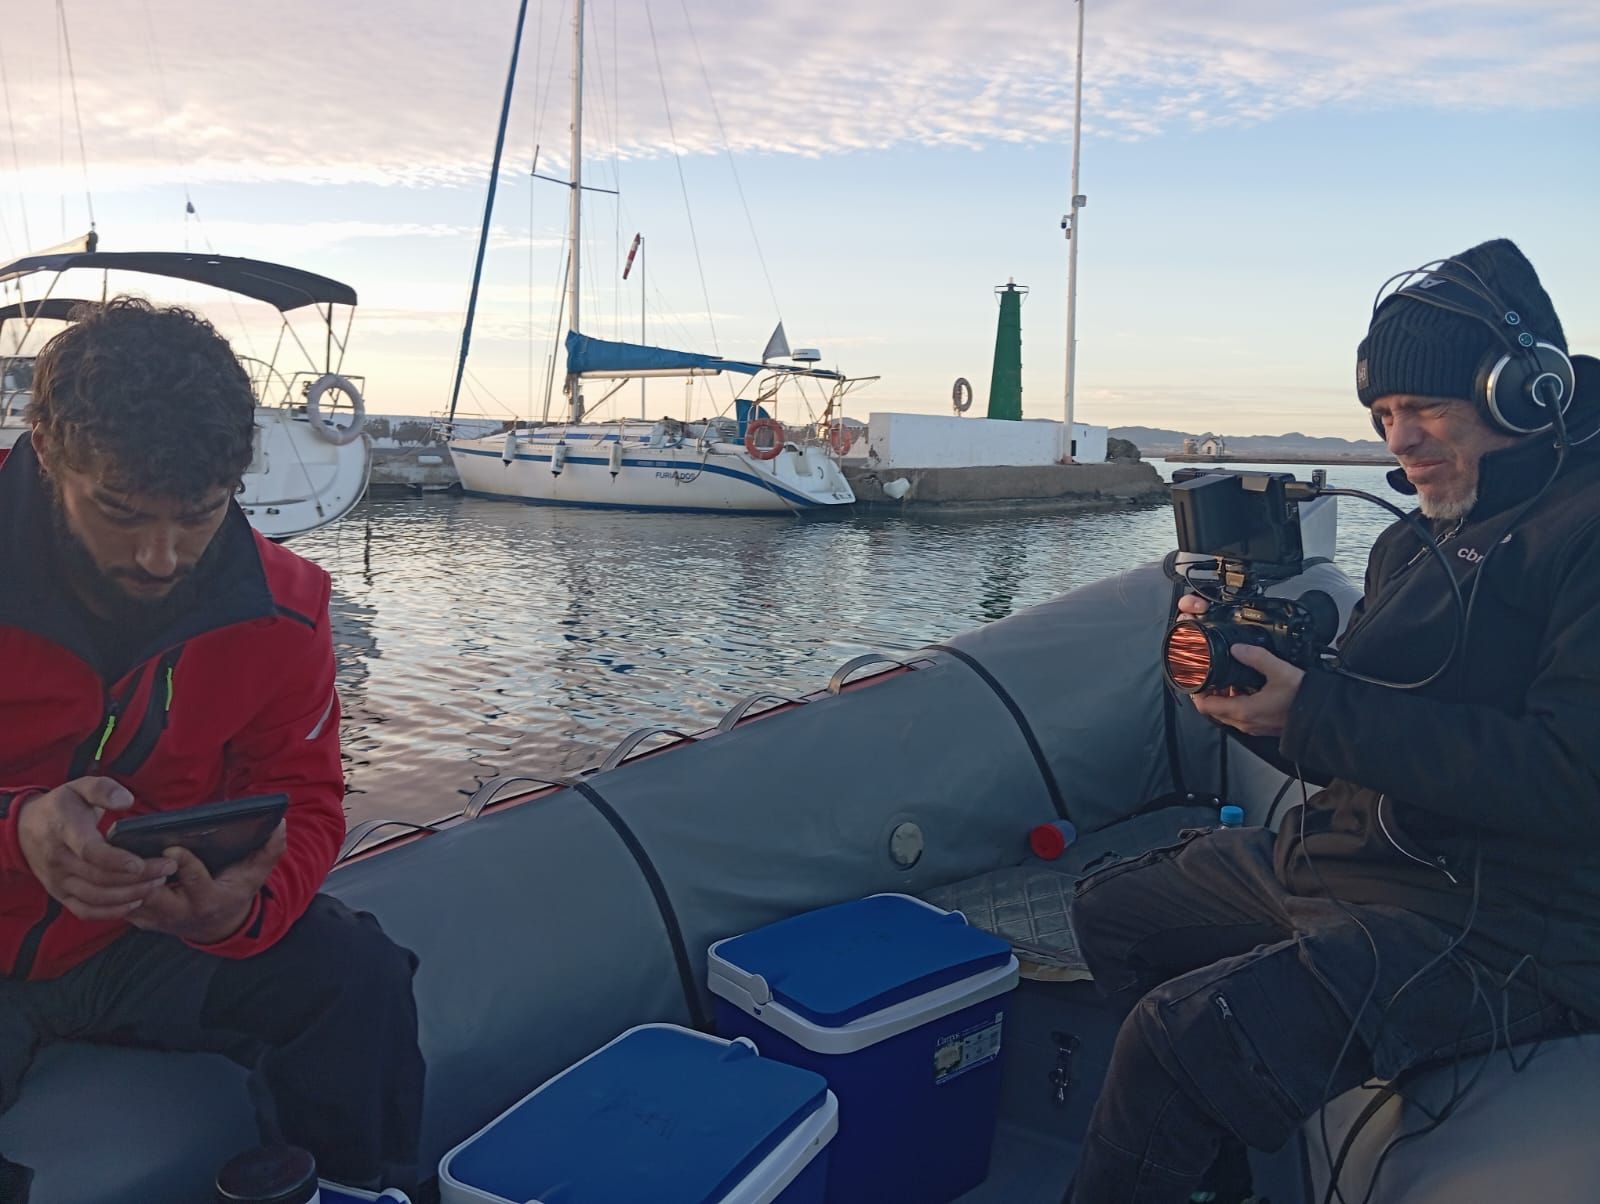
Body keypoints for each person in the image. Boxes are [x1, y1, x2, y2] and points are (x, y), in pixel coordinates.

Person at [1068, 239, 1600, 1204]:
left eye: (1425, 408)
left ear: (1524, 393)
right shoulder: (1414, 536)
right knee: (1113, 913)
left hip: (1510, 927)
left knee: (1180, 1037)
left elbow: (1573, 778)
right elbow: (1344, 739)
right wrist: (1250, 705)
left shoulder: (1586, 533)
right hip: (1356, 855)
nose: (1400, 439)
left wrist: (1318, 712)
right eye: (1384, 415)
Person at [0, 298, 424, 1194]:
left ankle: (355, 1189)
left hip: (132, 941)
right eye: (120, 512)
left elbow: (305, 796)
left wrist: (240, 906)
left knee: (358, 976)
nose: (161, 556)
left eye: (198, 515)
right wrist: (21, 830)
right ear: (45, 451)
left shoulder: (286, 608)